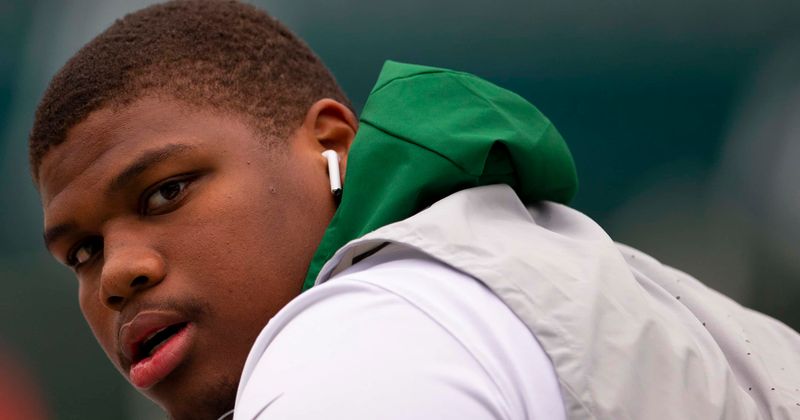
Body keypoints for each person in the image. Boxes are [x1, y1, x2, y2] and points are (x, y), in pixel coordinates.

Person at [29, 1, 800, 419]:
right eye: (82, 252)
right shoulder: (487, 277)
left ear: (329, 144)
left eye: (166, 192)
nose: (119, 275)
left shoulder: (364, 345)